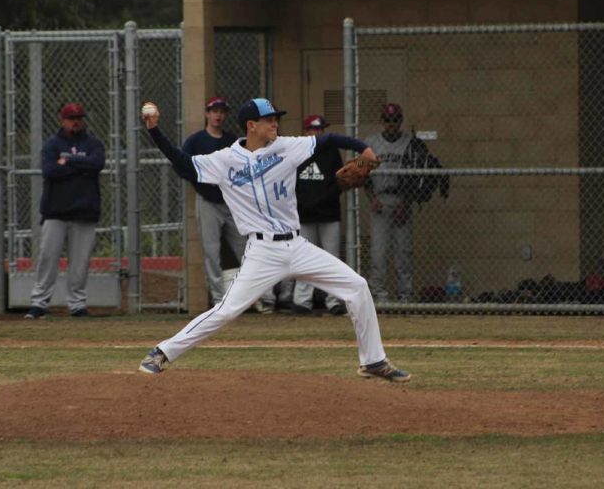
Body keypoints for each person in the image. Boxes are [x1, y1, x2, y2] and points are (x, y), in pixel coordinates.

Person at [137, 98, 411, 382]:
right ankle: (162, 352)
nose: (275, 123)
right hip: (262, 251)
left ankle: (374, 361)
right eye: (269, 120)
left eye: (275, 118)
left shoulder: (287, 146)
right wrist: (155, 131)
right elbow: (184, 165)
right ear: (251, 126)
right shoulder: (225, 160)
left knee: (357, 286)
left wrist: (362, 148)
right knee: (227, 310)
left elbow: (329, 140)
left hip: (298, 245)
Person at [179, 96, 274, 313]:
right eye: (214, 111)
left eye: (222, 111)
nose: (218, 115)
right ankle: (219, 301)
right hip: (207, 202)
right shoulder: (196, 141)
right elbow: (183, 166)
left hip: (233, 203)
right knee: (211, 252)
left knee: (248, 248)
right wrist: (202, 183)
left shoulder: (232, 140)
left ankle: (254, 298)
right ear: (207, 114)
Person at [25, 103, 106, 319]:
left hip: (85, 211)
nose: (76, 121)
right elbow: (51, 170)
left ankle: (77, 304)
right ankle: (39, 303)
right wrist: (82, 167)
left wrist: (69, 161)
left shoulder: (93, 143)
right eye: (71, 118)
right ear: (62, 120)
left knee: (80, 263)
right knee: (48, 258)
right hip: (56, 211)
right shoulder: (52, 144)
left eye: (79, 117)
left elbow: (97, 163)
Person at [288, 114, 347, 316]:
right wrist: (302, 205)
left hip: (328, 213)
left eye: (321, 129)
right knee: (304, 259)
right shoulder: (297, 152)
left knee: (332, 259)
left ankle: (334, 301)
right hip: (304, 215)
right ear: (306, 132)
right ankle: (302, 301)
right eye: (314, 129)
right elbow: (290, 184)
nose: (318, 133)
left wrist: (323, 199)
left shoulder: (331, 152)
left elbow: (340, 181)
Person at [363, 103, 416, 303]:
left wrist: (406, 202)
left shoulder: (410, 142)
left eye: (395, 120)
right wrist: (372, 198)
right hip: (380, 199)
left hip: (403, 199)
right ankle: (379, 295)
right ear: (382, 121)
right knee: (379, 252)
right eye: (387, 120)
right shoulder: (371, 142)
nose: (391, 124)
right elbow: (361, 170)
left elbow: (417, 179)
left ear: (400, 121)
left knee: (404, 252)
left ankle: (405, 296)